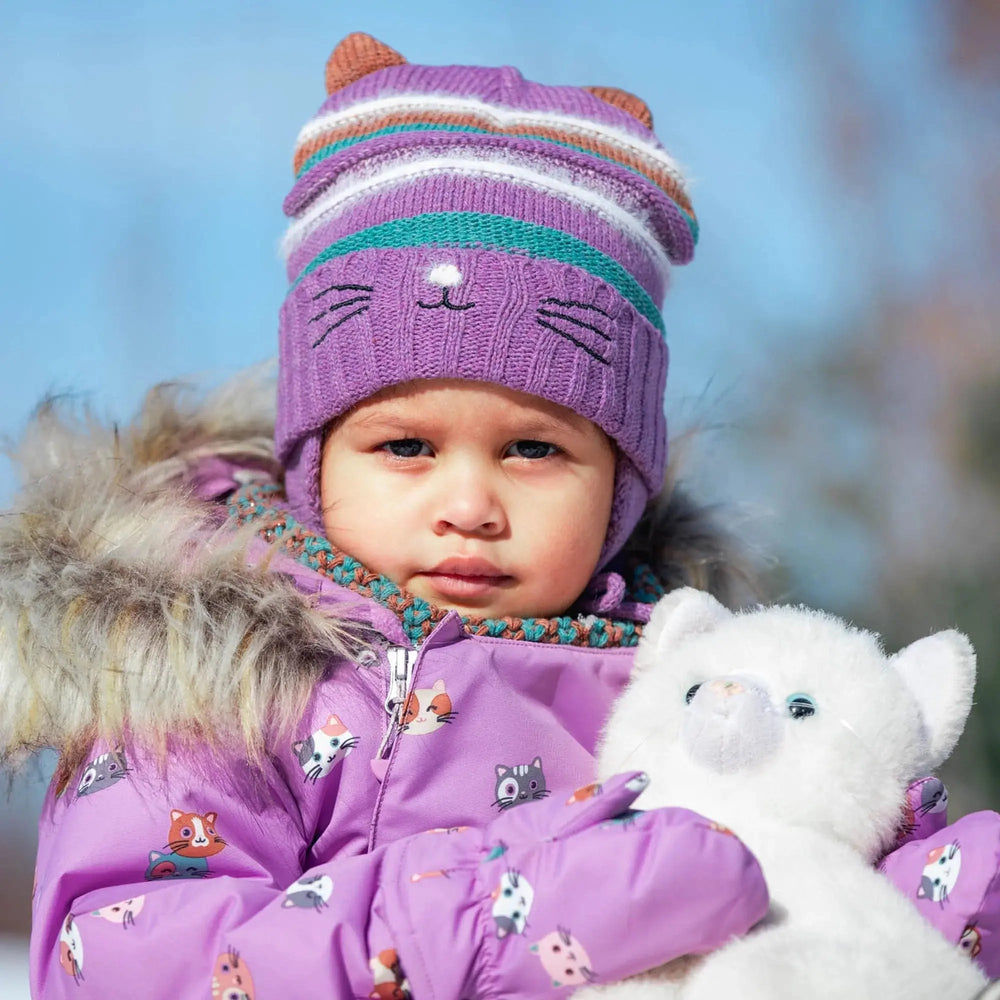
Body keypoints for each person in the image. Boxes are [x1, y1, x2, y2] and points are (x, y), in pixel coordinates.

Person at [0, 32, 994, 999]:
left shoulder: (691, 693)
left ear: (619, 485)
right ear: (314, 461)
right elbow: (131, 963)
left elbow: (833, 898)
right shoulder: (209, 680)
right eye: (405, 447)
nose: (469, 504)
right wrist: (516, 915)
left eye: (533, 449)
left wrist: (930, 895)